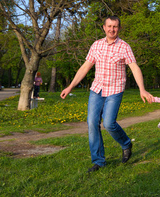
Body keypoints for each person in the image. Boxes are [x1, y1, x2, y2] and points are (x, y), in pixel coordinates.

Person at [60, 16, 153, 173]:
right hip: (97, 89)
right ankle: (98, 161)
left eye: (115, 26)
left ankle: (126, 143)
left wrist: (142, 89)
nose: (112, 29)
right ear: (104, 27)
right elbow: (84, 67)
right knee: (92, 123)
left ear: (119, 28)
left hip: (115, 90)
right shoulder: (96, 45)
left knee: (109, 123)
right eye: (109, 26)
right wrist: (70, 87)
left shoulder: (124, 46)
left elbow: (135, 68)